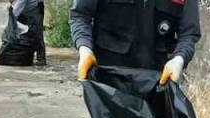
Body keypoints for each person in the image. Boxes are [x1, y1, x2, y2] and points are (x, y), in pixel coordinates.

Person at [70, 0, 200, 84]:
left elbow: (189, 33)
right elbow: (81, 14)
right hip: (110, 81)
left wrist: (179, 59)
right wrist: (85, 49)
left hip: (158, 81)